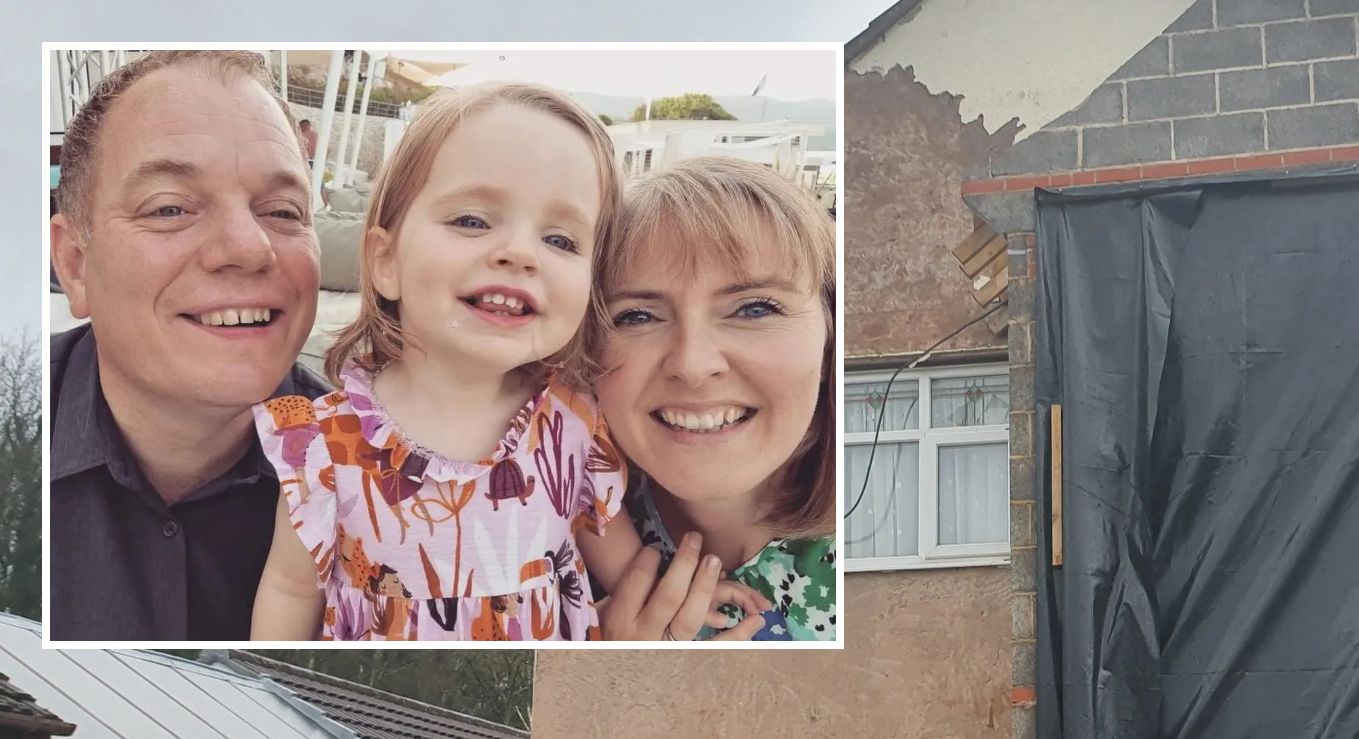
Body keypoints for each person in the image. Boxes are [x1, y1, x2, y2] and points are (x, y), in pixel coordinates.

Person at [247, 84, 767, 642]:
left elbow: (624, 562)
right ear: (386, 260)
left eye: (561, 240)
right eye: (472, 220)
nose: (519, 253)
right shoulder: (323, 443)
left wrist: (684, 593)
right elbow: (291, 589)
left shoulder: (572, 425)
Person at [48, 50, 326, 640]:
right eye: (170, 208)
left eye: (282, 210)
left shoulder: (390, 481)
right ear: (74, 265)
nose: (249, 248)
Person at [595, 158, 837, 643]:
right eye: (637, 316)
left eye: (754, 308)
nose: (693, 363)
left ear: (831, 337)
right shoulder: (522, 545)